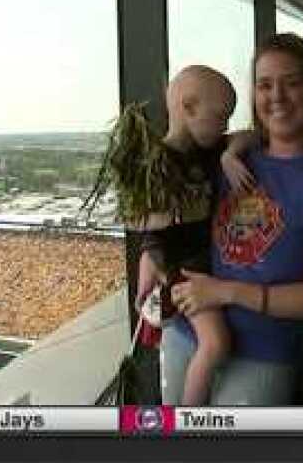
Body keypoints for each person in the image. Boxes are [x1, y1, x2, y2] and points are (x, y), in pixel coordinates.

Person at [163, 33, 303, 405]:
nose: (277, 96)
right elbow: (170, 210)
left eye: (292, 83)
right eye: (265, 85)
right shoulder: (227, 154)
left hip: (263, 351)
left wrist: (226, 292)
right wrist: (150, 254)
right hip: (188, 326)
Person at [85, 65, 236, 406]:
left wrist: (231, 152)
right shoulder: (158, 165)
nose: (225, 125)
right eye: (221, 116)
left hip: (190, 264)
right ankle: (188, 416)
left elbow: (250, 136)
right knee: (215, 344)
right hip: (185, 272)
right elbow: (147, 233)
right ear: (190, 107)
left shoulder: (206, 149)